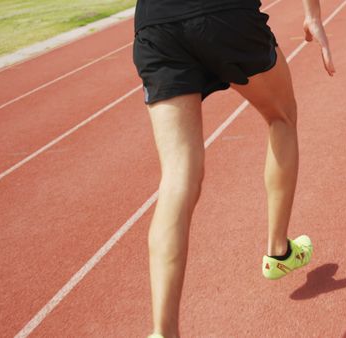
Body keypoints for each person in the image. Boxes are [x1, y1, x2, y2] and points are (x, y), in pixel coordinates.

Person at [132, 0, 335, 336]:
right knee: (281, 116)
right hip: (223, 13)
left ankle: (163, 330)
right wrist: (312, 16)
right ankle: (278, 250)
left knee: (178, 174)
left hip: (156, 23)